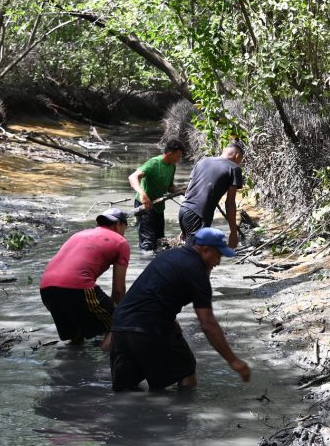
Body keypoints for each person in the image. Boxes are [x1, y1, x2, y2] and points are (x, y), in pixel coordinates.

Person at [109, 227, 251, 391]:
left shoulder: (169, 256)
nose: (218, 262)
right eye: (218, 255)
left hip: (120, 325)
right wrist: (234, 361)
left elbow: (151, 294)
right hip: (149, 327)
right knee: (186, 372)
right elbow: (208, 324)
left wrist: (171, 322)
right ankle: (180, 414)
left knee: (125, 390)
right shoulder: (197, 272)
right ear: (205, 250)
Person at [40, 208, 131, 349]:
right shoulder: (121, 242)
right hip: (77, 287)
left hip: (47, 288)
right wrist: (118, 313)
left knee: (76, 340)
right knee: (119, 324)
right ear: (119, 224)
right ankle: (107, 365)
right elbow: (118, 290)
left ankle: (72, 368)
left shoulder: (79, 234)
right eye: (126, 227)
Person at [177, 143, 245, 247]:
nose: (239, 163)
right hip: (199, 215)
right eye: (240, 160)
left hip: (184, 211)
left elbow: (188, 191)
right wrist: (233, 232)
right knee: (196, 257)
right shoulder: (234, 168)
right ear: (237, 156)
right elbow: (230, 203)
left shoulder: (203, 161)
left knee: (194, 254)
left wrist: (185, 227)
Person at [128, 139, 185, 255]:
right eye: (178, 156)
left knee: (160, 242)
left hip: (158, 206)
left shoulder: (172, 166)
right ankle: (143, 266)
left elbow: (170, 187)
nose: (179, 160)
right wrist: (143, 194)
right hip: (145, 205)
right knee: (147, 244)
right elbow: (132, 177)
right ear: (170, 153)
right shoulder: (154, 163)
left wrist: (181, 190)